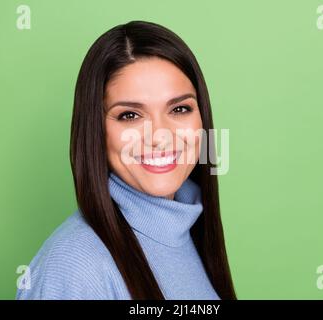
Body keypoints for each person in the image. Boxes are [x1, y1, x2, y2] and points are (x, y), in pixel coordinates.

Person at [16, 20, 236, 300]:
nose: (160, 137)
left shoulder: (186, 227)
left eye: (180, 108)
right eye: (130, 115)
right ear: (97, 131)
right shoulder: (75, 268)